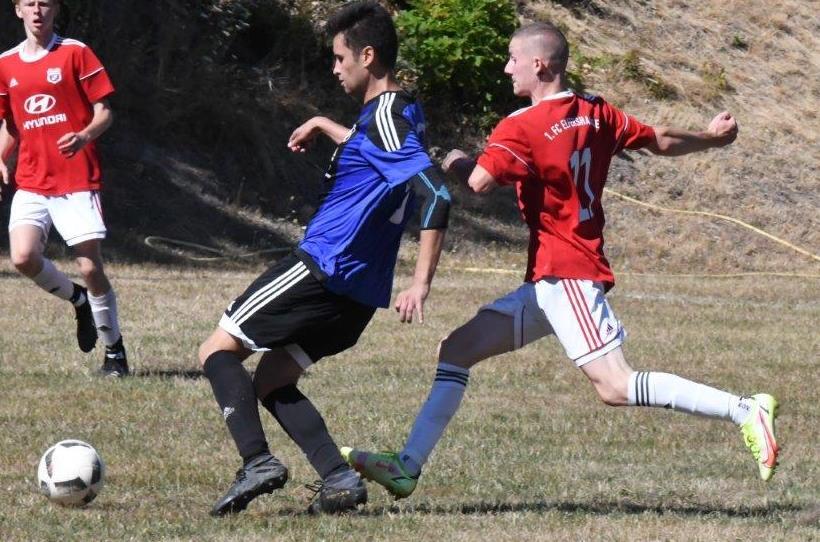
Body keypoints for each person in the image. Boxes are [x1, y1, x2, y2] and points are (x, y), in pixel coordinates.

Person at [342, 21, 779, 499]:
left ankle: (745, 409)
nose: (506, 68)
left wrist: (455, 160)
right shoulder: (596, 112)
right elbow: (660, 138)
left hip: (567, 273)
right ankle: (407, 466)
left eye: (513, 59)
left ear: (539, 64)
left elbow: (480, 182)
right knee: (457, 349)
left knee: (615, 386)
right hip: (547, 281)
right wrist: (712, 138)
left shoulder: (522, 125)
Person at [197, 0, 450, 516]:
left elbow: (436, 194)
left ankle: (256, 462)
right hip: (358, 297)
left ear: (367, 56)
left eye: (339, 58)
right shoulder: (403, 112)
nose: (334, 68)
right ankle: (339, 479)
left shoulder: (384, 118)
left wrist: (421, 282)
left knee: (216, 352)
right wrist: (322, 123)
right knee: (272, 379)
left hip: (322, 268)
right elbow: (375, 150)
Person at [0, 0, 128, 377]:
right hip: (32, 179)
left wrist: (84, 136)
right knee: (23, 258)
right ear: (18, 10)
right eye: (29, 4)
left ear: (55, 9)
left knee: (89, 267)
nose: (37, 11)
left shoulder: (75, 53)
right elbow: (11, 124)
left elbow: (105, 112)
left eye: (44, 3)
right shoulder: (5, 63)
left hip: (75, 178)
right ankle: (79, 301)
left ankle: (115, 352)